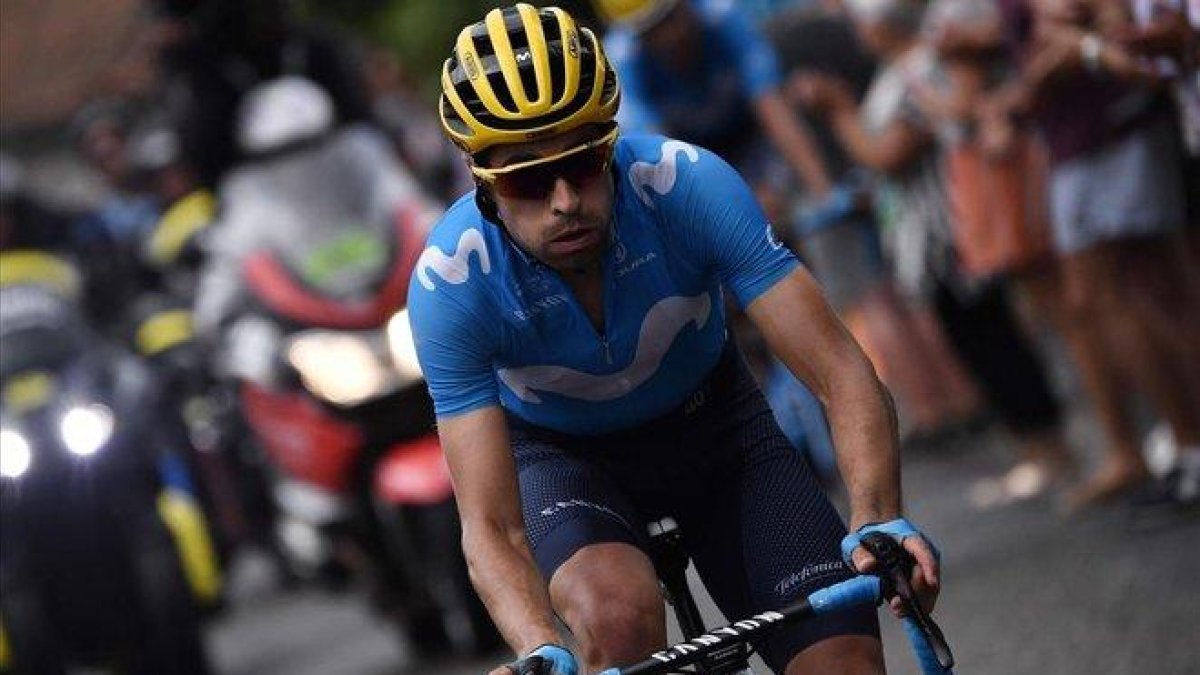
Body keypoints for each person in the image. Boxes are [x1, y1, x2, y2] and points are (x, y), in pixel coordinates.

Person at [408, 5, 941, 674]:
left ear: (611, 146)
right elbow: (490, 524)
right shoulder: (451, 282)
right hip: (564, 459)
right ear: (481, 180)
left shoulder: (687, 185)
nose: (565, 200)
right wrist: (538, 643)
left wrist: (878, 517)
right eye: (527, 178)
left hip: (717, 431)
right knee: (616, 617)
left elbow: (841, 372)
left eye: (583, 162)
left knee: (843, 662)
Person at [792, 0, 1078, 506]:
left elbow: (887, 154)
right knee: (976, 345)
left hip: (950, 235)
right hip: (927, 246)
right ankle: (1034, 452)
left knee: (996, 341)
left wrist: (838, 112)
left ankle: (1053, 453)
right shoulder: (897, 74)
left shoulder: (923, 70)